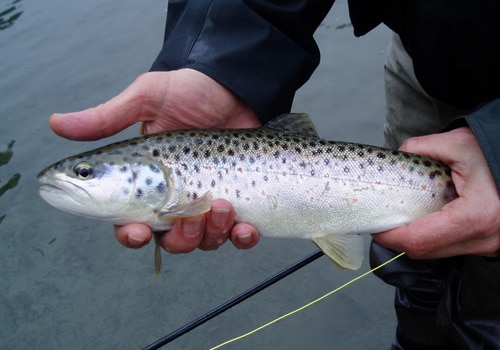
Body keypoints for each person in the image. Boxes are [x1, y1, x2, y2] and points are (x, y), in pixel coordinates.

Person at [48, 1, 500, 348]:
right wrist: (218, 64)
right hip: (428, 51)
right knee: (423, 268)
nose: (75, 178)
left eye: (85, 172)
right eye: (85, 172)